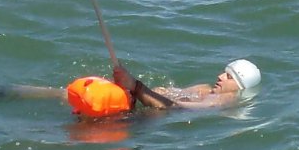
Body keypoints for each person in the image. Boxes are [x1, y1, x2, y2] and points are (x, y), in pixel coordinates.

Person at [106, 58, 261, 112]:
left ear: (241, 86)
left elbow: (177, 108)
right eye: (223, 72)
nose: (220, 76)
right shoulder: (205, 89)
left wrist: (135, 86)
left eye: (229, 77)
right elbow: (165, 93)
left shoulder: (225, 100)